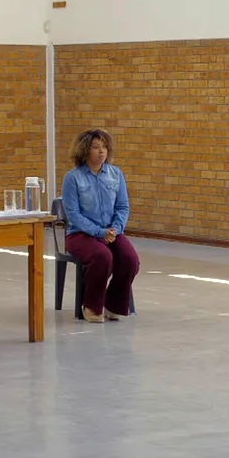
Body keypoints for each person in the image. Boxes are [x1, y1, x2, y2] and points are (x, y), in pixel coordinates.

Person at [61, 128, 140, 324]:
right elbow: (73, 215)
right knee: (102, 257)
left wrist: (115, 229)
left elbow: (122, 206)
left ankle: (113, 305)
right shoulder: (73, 178)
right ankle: (91, 306)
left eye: (104, 147)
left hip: (111, 231)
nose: (102, 151)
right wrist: (99, 232)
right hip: (80, 234)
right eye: (96, 147)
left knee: (130, 259)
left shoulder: (116, 174)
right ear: (85, 150)